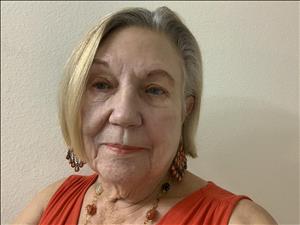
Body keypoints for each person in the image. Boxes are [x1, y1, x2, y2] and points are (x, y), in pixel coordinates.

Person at [12, 6, 277, 225]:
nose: (124, 114)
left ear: (186, 110)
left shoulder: (240, 221)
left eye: (154, 90)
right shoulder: (50, 202)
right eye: (102, 84)